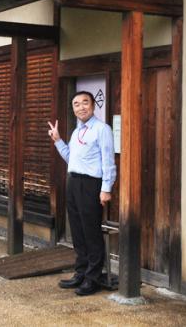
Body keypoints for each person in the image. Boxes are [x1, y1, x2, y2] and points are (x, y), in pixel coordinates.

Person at [48, 91, 116, 296]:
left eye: (85, 103)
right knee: (77, 231)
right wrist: (58, 140)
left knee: (91, 232)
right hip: (73, 182)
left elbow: (108, 161)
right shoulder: (77, 132)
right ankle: (81, 273)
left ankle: (93, 278)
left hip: (91, 184)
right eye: (76, 104)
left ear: (93, 106)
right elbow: (71, 158)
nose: (80, 107)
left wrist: (106, 189)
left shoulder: (102, 129)